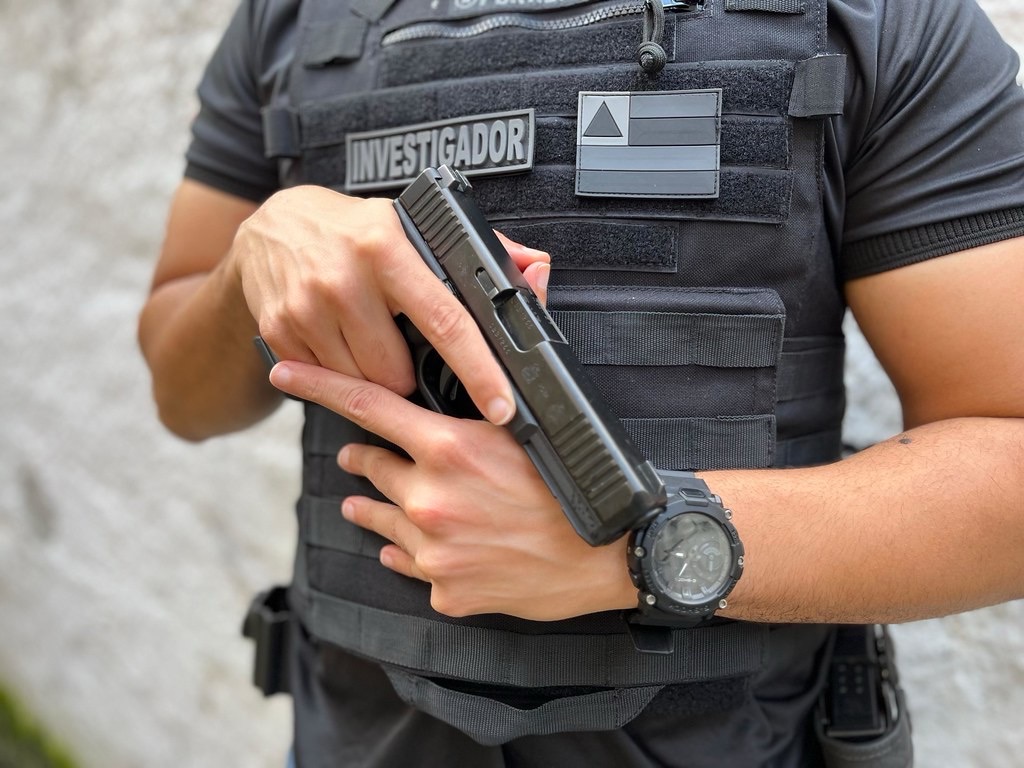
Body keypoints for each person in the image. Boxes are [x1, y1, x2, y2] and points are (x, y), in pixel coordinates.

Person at [138, 0, 1024, 765]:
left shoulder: (874, 21)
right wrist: (254, 259)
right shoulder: (291, 21)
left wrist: (641, 547)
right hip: (350, 736)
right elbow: (184, 397)